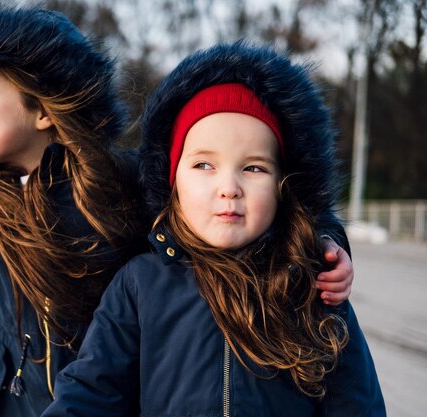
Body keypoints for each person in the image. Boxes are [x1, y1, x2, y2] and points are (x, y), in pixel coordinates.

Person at [0, 6, 354, 416]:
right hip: (0, 403)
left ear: (42, 111)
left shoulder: (114, 182)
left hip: (101, 396)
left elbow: (210, 207)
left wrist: (326, 244)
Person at [41, 41, 385, 416]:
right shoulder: (141, 283)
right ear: (172, 182)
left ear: (283, 188)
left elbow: (356, 403)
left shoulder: (311, 287)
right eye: (204, 165)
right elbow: (92, 392)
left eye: (254, 168)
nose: (229, 187)